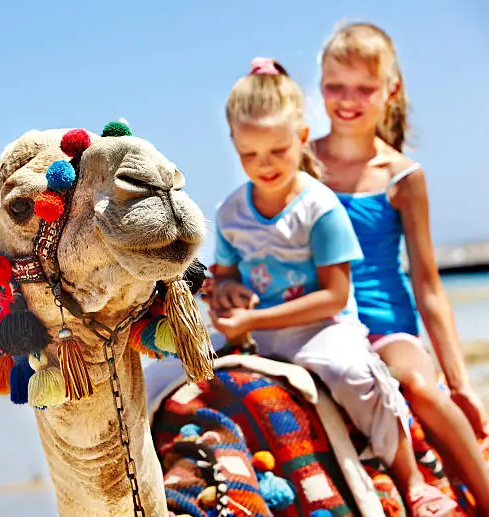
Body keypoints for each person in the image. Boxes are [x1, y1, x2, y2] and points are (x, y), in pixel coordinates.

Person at [205, 56, 457, 516]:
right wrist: (225, 293)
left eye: (278, 152)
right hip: (256, 329)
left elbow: (336, 296)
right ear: (234, 145)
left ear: (301, 139)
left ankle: (413, 479)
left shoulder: (320, 208)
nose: (264, 166)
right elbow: (224, 275)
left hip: (322, 327)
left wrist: (253, 317)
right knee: (174, 370)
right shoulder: (229, 212)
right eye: (250, 155)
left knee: (353, 375)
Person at [312, 22, 489, 512]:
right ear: (318, 86)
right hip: (318, 321)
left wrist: (460, 382)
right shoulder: (299, 163)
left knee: (413, 382)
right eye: (334, 86)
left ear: (390, 91)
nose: (348, 99)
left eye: (364, 88)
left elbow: (429, 288)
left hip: (387, 327)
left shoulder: (403, 177)